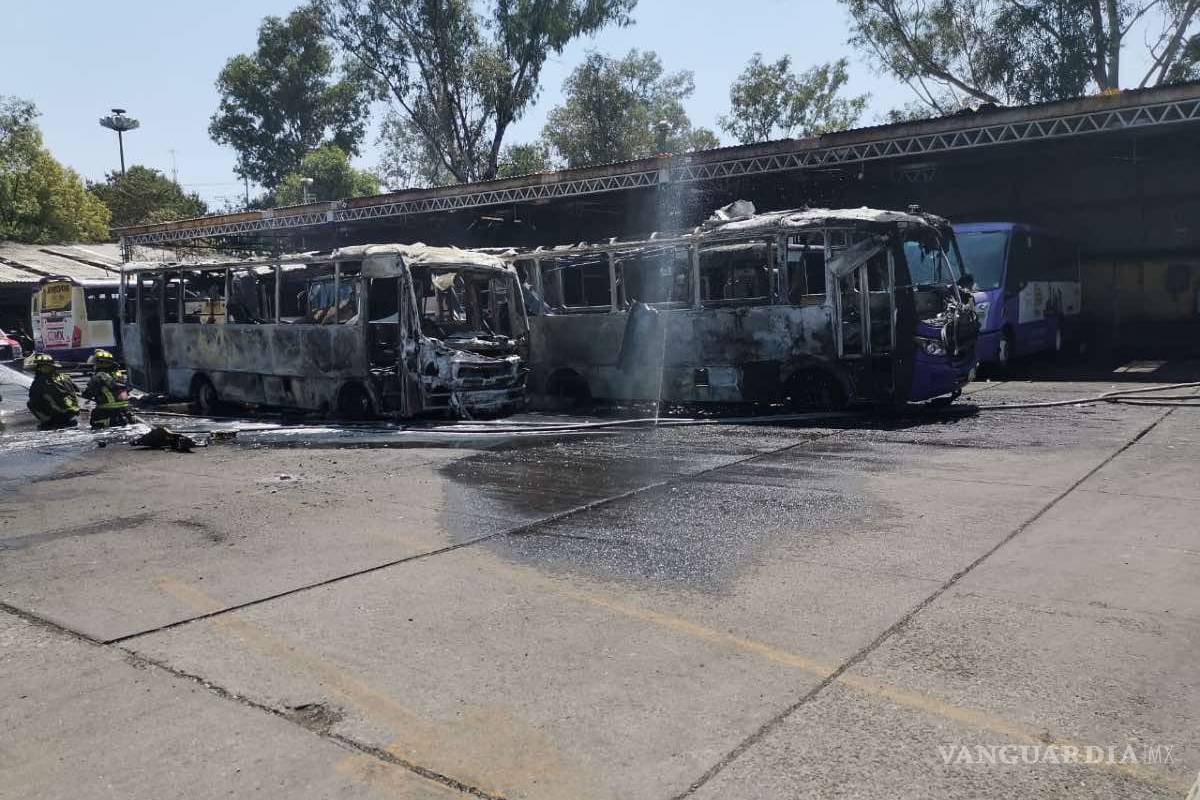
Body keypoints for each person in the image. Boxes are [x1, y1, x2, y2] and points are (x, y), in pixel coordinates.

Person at [82, 349, 134, 429]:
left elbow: (87, 394)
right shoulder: (118, 374)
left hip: (108, 414)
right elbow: (128, 388)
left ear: (102, 363)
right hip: (125, 412)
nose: (94, 365)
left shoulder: (98, 377)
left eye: (96, 362)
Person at [26, 354, 80, 429]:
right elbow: (77, 391)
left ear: (43, 367)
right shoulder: (64, 377)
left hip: (58, 416)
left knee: (30, 403)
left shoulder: (40, 381)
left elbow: (34, 398)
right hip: (73, 412)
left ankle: (47, 421)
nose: (37, 368)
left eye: (39, 366)